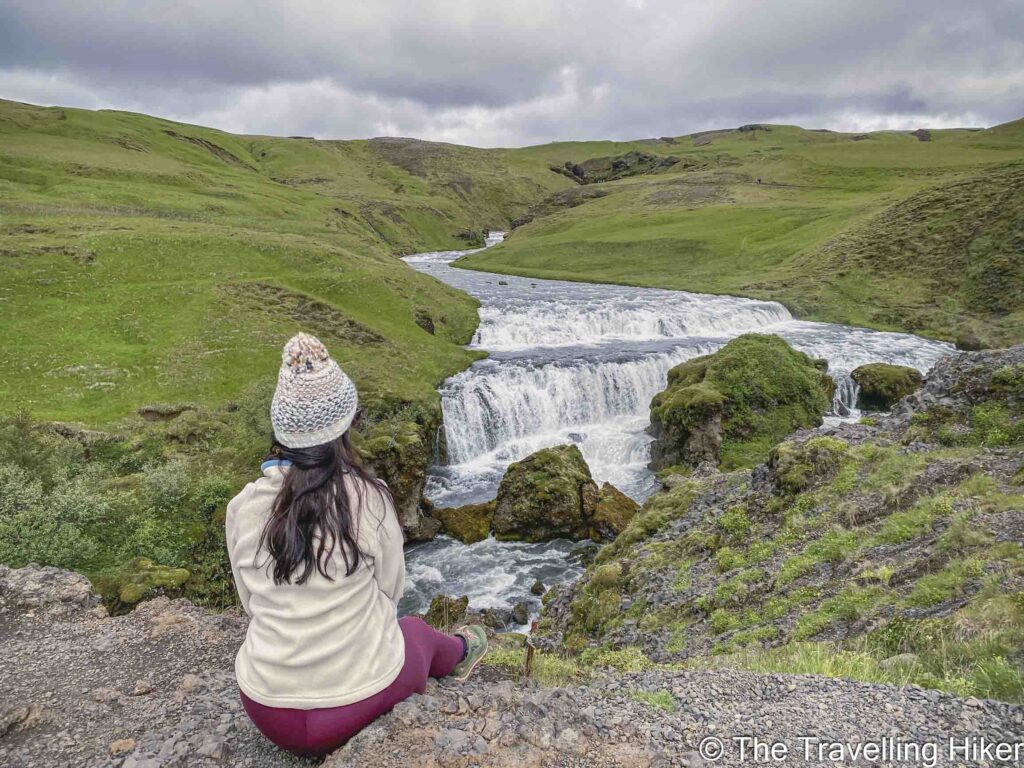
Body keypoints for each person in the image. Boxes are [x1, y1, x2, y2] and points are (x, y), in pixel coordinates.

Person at [226, 332, 487, 756]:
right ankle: (462, 650)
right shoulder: (368, 497)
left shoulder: (243, 507)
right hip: (350, 704)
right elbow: (392, 589)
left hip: (266, 707)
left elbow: (251, 602)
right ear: (347, 425)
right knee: (415, 632)